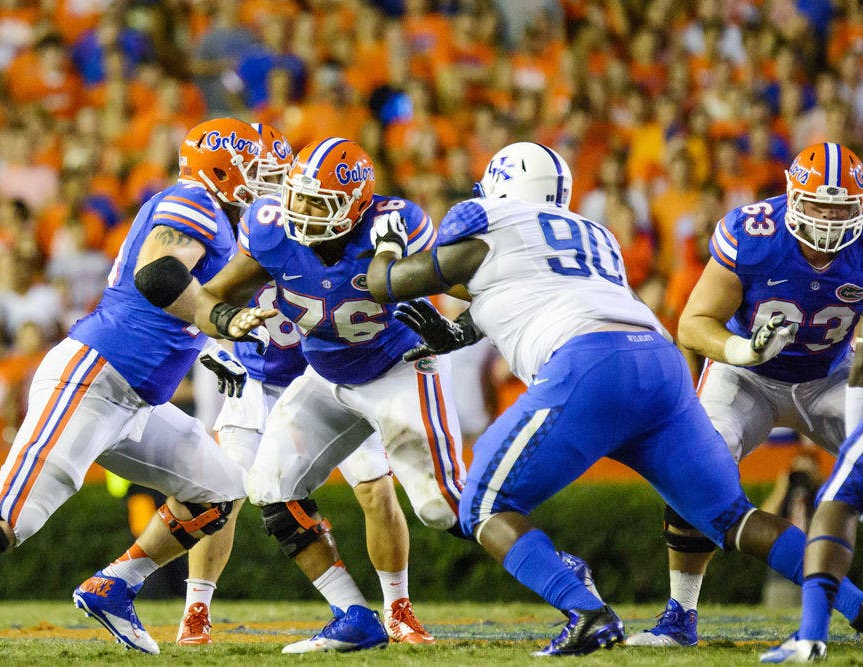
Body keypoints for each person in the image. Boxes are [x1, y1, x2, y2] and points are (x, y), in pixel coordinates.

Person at [360, 141, 863, 656]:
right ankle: (857, 607)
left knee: (484, 505)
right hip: (658, 361)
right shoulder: (591, 234)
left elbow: (386, 284)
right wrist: (461, 333)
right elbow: (524, 286)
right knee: (733, 518)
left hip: (589, 365)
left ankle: (585, 609)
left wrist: (386, 245)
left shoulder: (486, 219)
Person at [0, 117, 262, 663]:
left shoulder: (220, 218)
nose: (264, 173)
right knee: (12, 517)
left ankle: (115, 585)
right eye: (255, 161)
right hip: (94, 377)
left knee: (217, 490)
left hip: (136, 400)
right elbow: (158, 273)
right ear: (223, 163)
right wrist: (220, 314)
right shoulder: (194, 200)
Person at [188, 137, 467, 653]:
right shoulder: (271, 229)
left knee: (442, 510)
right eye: (297, 196)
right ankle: (354, 614)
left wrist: (465, 327)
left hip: (397, 369)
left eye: (318, 202)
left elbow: (469, 283)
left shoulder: (395, 224)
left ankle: (555, 575)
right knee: (268, 487)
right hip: (325, 377)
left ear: (356, 205)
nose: (300, 211)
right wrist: (217, 334)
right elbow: (212, 295)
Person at [628, 142, 863, 648]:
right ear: (791, 194)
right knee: (695, 467)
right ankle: (679, 616)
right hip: (749, 376)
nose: (828, 220)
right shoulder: (753, 234)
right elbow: (692, 324)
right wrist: (741, 349)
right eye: (818, 204)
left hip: (832, 373)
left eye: (841, 208)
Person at [760, 428, 863, 662]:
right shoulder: (786, 490)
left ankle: (811, 640)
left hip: (820, 566)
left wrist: (823, 484)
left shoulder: (819, 489)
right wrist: (783, 486)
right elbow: (766, 517)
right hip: (783, 577)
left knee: (838, 498)